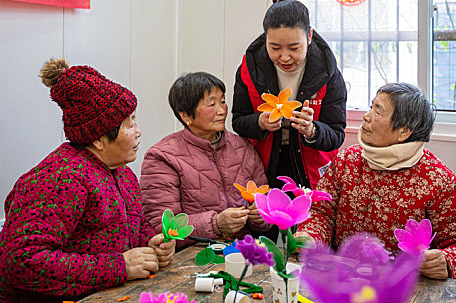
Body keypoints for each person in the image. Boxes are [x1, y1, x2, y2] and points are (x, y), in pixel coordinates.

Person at [0, 59, 175, 302]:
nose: (138, 131)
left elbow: (132, 226)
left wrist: (151, 243)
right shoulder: (59, 180)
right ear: (98, 139)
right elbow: (21, 262)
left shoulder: (122, 173)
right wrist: (118, 266)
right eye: (129, 124)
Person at [297, 82, 456, 281]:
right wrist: (310, 236)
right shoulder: (347, 161)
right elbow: (321, 211)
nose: (366, 116)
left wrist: (446, 261)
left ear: (404, 131)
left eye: (377, 112)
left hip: (403, 290)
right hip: (341, 282)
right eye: (371, 107)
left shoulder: (437, 179)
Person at [232, 0, 347, 191]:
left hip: (310, 169)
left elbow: (336, 134)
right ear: (265, 38)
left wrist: (312, 130)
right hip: (264, 166)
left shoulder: (327, 73)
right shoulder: (250, 69)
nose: (284, 57)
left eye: (294, 48)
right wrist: (259, 122)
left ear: (309, 36)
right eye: (274, 48)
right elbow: (239, 121)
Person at [141, 72, 271, 250]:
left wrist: (261, 214)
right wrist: (215, 224)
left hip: (242, 252)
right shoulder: (162, 157)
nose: (221, 111)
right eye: (212, 104)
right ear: (186, 115)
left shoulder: (243, 147)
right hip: (191, 257)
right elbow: (162, 227)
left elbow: (265, 202)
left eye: (223, 101)